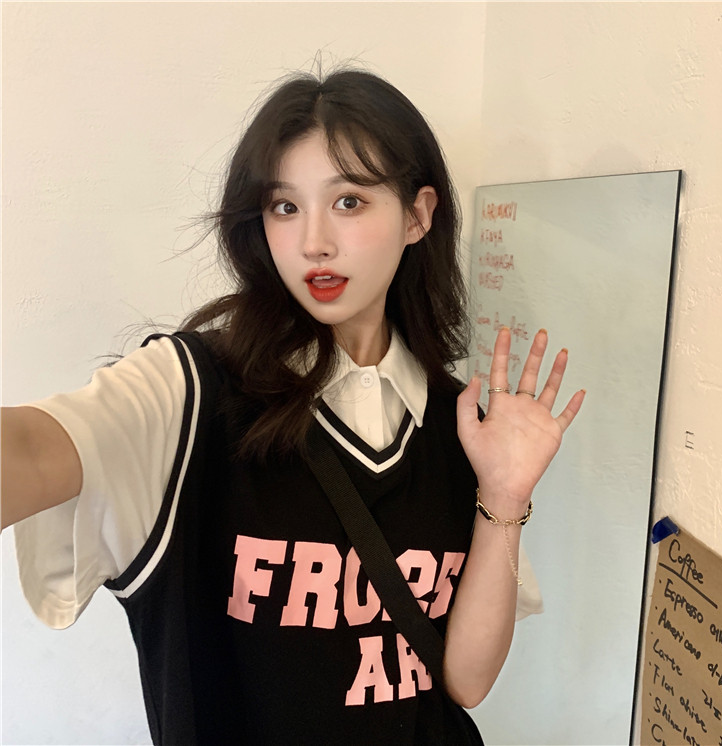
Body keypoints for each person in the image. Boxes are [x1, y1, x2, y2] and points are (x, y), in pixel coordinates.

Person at [1, 68, 584, 745]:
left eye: (349, 201)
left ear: (418, 215)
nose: (313, 242)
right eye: (284, 207)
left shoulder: (460, 424)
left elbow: (465, 682)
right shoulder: (191, 391)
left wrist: (505, 494)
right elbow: (30, 451)